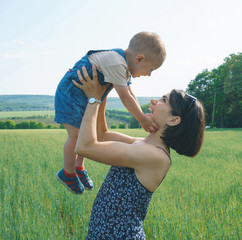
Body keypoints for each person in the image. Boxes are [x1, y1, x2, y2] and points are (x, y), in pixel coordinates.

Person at [72, 66, 205, 239]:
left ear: (173, 120)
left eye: (163, 100)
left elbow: (85, 147)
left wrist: (93, 99)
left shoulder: (155, 156)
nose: (153, 101)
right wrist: (104, 91)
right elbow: (102, 135)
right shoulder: (140, 143)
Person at [55, 32, 166, 194]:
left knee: (88, 132)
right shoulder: (117, 63)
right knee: (77, 136)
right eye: (151, 69)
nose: (148, 74)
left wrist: (142, 115)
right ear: (139, 59)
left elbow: (130, 93)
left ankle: (78, 167)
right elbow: (125, 96)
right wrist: (142, 119)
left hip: (84, 95)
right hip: (71, 94)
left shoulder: (123, 66)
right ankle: (67, 173)